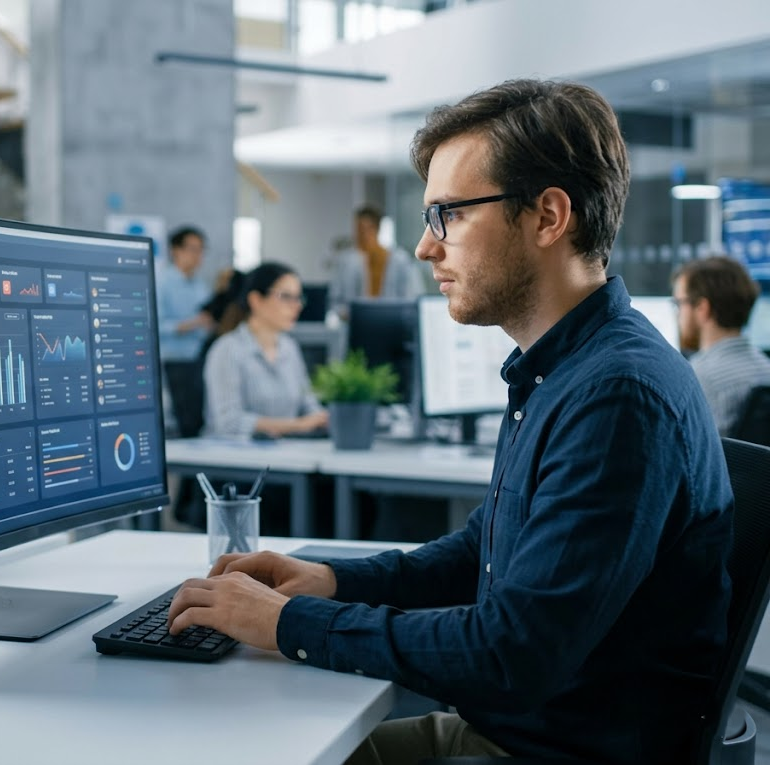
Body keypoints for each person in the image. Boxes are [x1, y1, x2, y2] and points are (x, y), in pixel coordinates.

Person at [168, 79, 732, 765]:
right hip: (518, 733)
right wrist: (330, 580)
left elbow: (509, 654)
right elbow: (479, 555)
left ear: (549, 216)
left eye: (448, 215)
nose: (423, 248)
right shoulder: (563, 369)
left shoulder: (618, 395)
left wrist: (289, 623)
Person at [203, 262, 329, 439]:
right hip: (236, 458)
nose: (297, 305)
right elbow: (229, 423)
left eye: (299, 297)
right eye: (286, 296)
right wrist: (297, 426)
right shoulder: (227, 350)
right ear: (256, 300)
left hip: (286, 454)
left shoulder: (289, 348)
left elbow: (308, 405)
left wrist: (324, 419)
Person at [672, 254, 770, 435]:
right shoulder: (765, 367)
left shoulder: (695, 377)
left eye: (679, 303)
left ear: (702, 308)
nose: (677, 313)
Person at [329, 204, 424, 315]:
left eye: (367, 229)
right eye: (358, 229)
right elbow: (334, 301)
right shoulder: (345, 262)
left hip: (392, 324)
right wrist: (346, 313)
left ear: (377, 229)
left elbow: (414, 299)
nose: (362, 235)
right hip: (356, 325)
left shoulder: (401, 260)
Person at [155, 226, 214, 362]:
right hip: (172, 359)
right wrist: (191, 324)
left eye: (201, 250)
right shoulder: (161, 282)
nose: (198, 255)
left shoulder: (200, 285)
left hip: (199, 356)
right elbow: (155, 326)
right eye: (193, 249)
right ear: (175, 251)